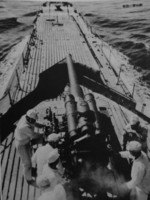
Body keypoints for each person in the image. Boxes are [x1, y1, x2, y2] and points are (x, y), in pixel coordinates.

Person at [14, 109, 43, 185]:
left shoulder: (26, 117)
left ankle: (31, 171)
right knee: (27, 163)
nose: (34, 121)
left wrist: (41, 125)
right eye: (33, 119)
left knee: (30, 157)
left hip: (26, 141)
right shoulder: (23, 127)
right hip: (21, 145)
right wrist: (42, 135)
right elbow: (33, 135)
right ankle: (29, 180)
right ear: (30, 119)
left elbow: (34, 123)